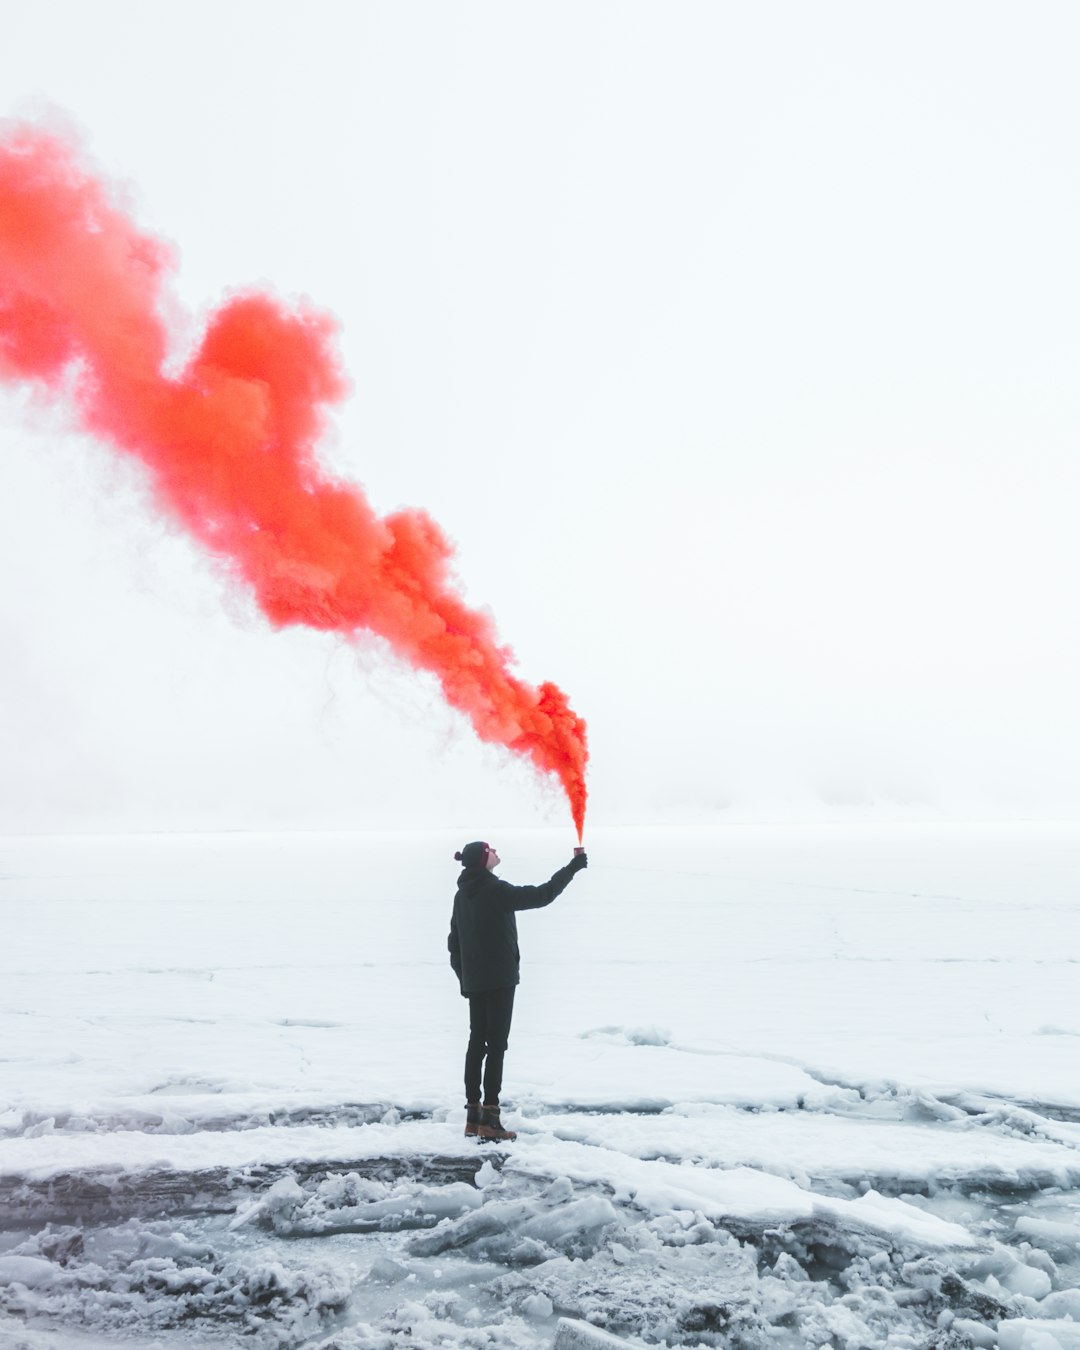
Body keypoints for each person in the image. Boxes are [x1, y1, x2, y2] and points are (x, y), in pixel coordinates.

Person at [448, 840, 588, 1142]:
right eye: (491, 850)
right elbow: (542, 895)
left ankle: (473, 1118)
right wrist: (573, 867)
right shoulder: (494, 890)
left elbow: (453, 945)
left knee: (476, 1044)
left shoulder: (461, 896)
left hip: (476, 982)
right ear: (484, 859)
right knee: (496, 1045)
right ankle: (491, 1118)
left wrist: (466, 979)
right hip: (499, 980)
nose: (496, 851)